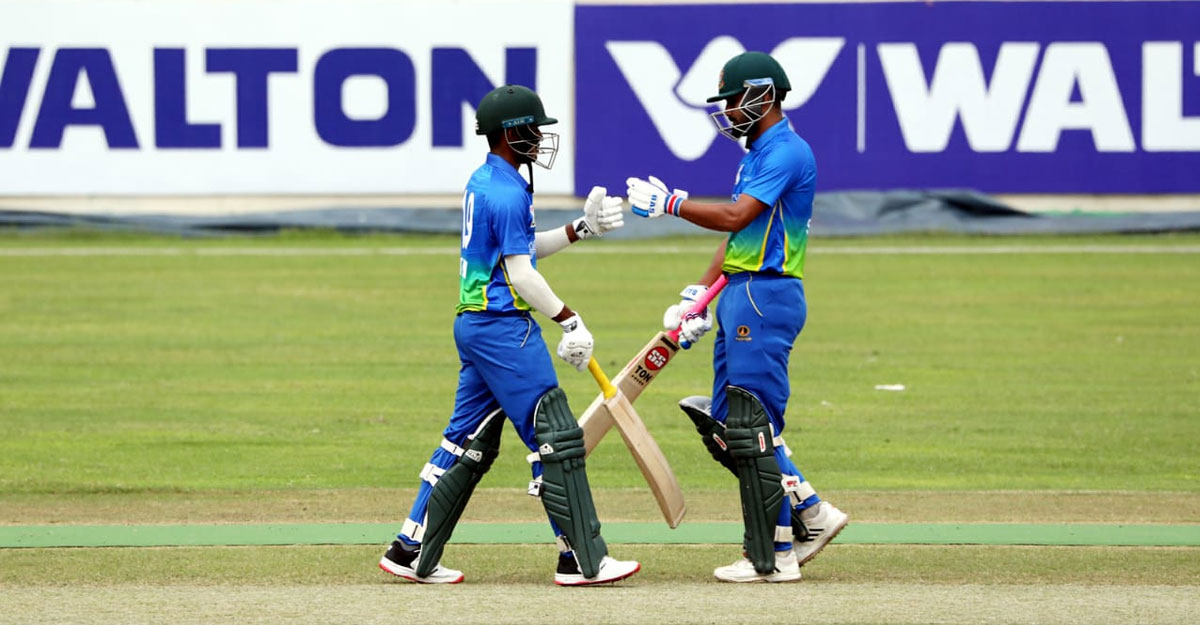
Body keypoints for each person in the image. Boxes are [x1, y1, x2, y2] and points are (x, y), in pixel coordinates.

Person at [379, 84, 640, 586]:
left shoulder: (489, 180)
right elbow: (520, 273)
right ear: (510, 133)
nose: (540, 138)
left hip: (476, 324)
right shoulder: (506, 192)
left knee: (464, 441)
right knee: (556, 437)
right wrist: (569, 319)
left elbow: (521, 249)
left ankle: (409, 549)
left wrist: (580, 229)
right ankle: (582, 558)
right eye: (533, 129)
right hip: (503, 329)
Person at [625, 51, 848, 583]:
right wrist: (699, 296)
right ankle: (811, 511)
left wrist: (671, 204)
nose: (726, 110)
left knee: (752, 427)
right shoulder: (758, 153)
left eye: (733, 99)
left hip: (765, 296)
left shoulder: (786, 151)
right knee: (730, 424)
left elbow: (735, 216)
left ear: (763, 96)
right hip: (741, 292)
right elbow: (740, 237)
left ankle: (775, 555)